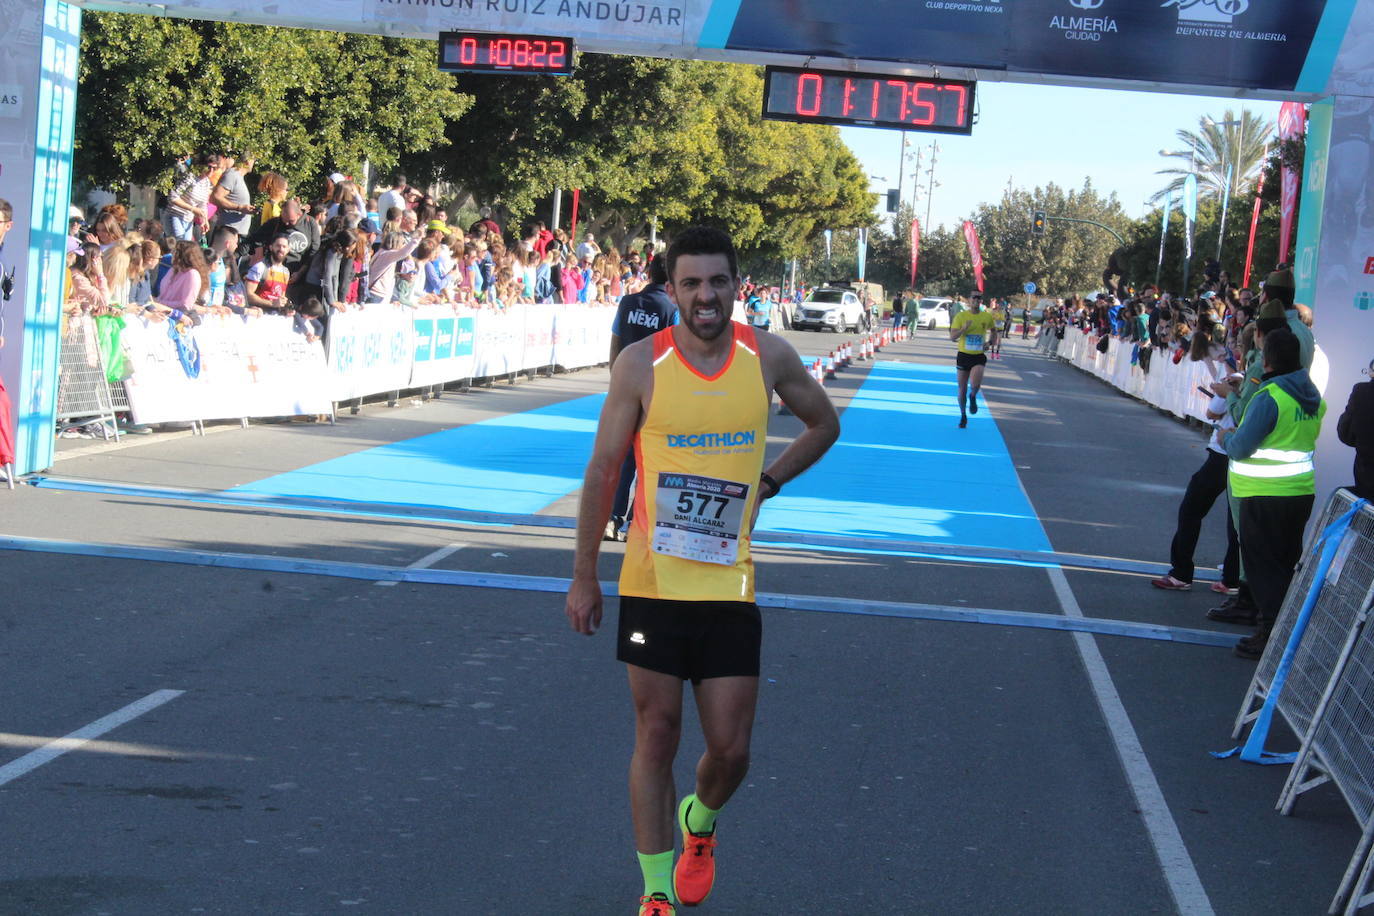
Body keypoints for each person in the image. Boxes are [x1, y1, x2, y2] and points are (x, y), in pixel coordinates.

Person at [565, 226, 839, 916]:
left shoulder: (767, 356)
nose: (705, 295)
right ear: (672, 288)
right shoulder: (639, 365)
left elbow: (823, 425)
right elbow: (602, 470)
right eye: (691, 283)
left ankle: (701, 821)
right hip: (653, 585)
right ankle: (655, 888)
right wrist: (584, 573)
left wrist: (768, 485)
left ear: (736, 285)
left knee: (732, 751)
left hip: (729, 584)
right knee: (656, 733)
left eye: (717, 281)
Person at [1223, 327, 1326, 660]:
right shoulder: (1312, 396)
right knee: (1283, 565)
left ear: (1266, 360)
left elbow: (1239, 448)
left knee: (1264, 569)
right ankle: (1281, 630)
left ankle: (1269, 635)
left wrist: (1226, 436)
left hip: (1263, 494)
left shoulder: (1270, 396)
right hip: (1298, 493)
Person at [604, 256, 678, 541]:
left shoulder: (627, 303)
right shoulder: (672, 308)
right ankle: (636, 521)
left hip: (626, 388)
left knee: (623, 459)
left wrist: (617, 378)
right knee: (650, 459)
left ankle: (612, 518)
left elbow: (615, 341)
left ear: (649, 273)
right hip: (657, 391)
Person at [1151, 371, 1243, 594]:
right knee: (1235, 520)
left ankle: (1182, 573)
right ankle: (1232, 577)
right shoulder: (1246, 379)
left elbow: (1214, 411)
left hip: (1224, 454)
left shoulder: (1240, 381)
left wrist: (1228, 394)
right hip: (1234, 454)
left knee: (1192, 509)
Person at [949, 291, 997, 429]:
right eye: (974, 297)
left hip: (978, 356)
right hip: (964, 355)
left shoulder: (986, 317)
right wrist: (964, 328)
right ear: (969, 300)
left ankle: (973, 395)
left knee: (975, 384)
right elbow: (952, 337)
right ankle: (963, 415)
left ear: (981, 301)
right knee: (961, 388)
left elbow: (994, 331)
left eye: (979, 298)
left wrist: (989, 343)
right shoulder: (961, 316)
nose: (976, 299)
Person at [1337, 358, 1374, 499]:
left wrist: (1363, 443)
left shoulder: (1361, 391)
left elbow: (1344, 432)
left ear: (1371, 373)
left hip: (1366, 476)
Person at [211, 152, 256, 240]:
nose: (254, 163)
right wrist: (239, 207)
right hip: (228, 232)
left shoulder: (238, 177)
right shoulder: (232, 175)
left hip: (236, 232)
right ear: (247, 161)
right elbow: (215, 197)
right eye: (253, 160)